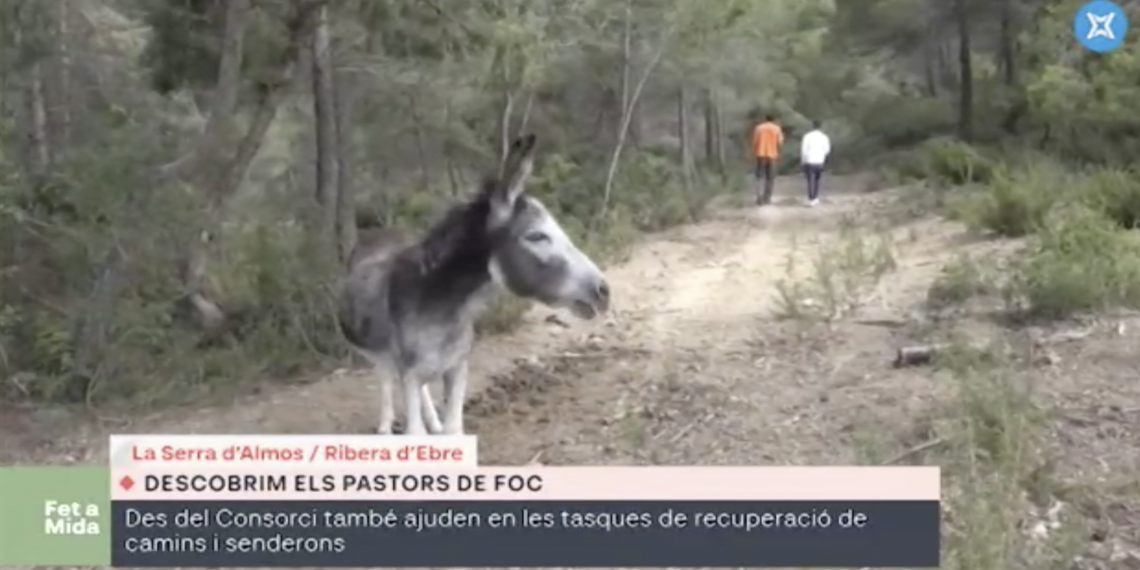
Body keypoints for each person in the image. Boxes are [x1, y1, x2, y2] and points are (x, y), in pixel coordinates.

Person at [750, 114, 784, 205]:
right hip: (772, 155)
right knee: (770, 178)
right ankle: (767, 198)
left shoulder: (759, 128)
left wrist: (753, 152)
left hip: (760, 154)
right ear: (774, 120)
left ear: (765, 119)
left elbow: (755, 141)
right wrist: (779, 152)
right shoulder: (777, 129)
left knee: (759, 177)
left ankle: (759, 197)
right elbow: (780, 142)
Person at [799, 119, 831, 207]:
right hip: (820, 161)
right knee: (817, 180)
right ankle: (815, 198)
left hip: (809, 160)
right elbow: (827, 150)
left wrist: (802, 161)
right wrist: (823, 158)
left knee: (810, 180)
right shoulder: (824, 137)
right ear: (821, 127)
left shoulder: (807, 136)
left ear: (812, 126)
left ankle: (811, 199)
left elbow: (804, 150)